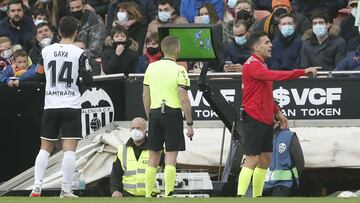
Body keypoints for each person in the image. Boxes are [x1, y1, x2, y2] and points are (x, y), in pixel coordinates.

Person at [237, 31, 318, 198]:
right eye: (266, 42)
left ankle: (257, 196)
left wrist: (277, 112)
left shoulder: (261, 65)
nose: (271, 45)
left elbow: (266, 94)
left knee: (265, 159)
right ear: (256, 47)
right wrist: (302, 71)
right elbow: (276, 75)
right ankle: (240, 197)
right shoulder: (252, 65)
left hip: (265, 118)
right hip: (254, 118)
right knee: (252, 159)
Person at [29, 16, 93, 198]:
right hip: (71, 105)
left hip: (51, 105)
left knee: (44, 148)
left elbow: (38, 77)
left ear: (58, 32)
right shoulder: (80, 53)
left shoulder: (46, 51)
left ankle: (37, 187)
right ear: (76, 33)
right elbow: (88, 80)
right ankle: (65, 189)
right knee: (69, 149)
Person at [143, 36, 194, 197]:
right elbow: (183, 97)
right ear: (177, 50)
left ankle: (148, 192)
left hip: (155, 112)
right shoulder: (179, 69)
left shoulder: (151, 68)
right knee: (171, 154)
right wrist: (190, 123)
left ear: (162, 50)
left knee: (153, 155)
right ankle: (169, 192)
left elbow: (145, 95)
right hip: (172, 113)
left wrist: (149, 115)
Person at [110, 117, 162, 197]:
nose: (135, 131)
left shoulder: (156, 149)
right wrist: (115, 190)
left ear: (146, 131)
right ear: (129, 130)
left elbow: (166, 170)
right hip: (128, 195)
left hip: (152, 196)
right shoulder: (122, 149)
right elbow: (116, 174)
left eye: (138, 128)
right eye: (133, 128)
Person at [263, 127, 305, 197]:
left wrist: (294, 181)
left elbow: (299, 162)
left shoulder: (289, 136)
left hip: (282, 185)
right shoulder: (259, 135)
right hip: (261, 185)